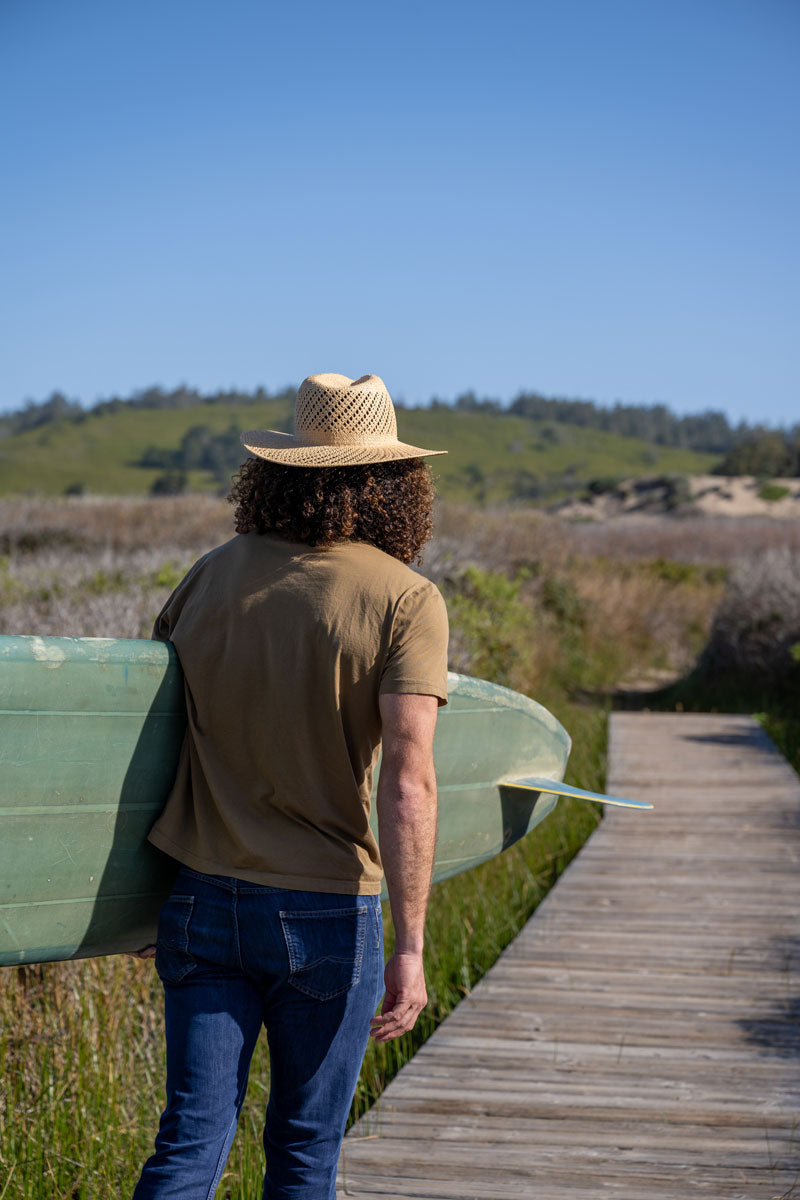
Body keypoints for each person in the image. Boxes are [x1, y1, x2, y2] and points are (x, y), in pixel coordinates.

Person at [131, 372, 449, 1200]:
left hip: (200, 899)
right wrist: (410, 949)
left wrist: (139, 896)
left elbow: (151, 743)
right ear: (392, 484)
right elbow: (409, 786)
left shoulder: (209, 575)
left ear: (279, 470)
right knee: (305, 1154)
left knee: (186, 1146)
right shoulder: (404, 599)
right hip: (325, 911)